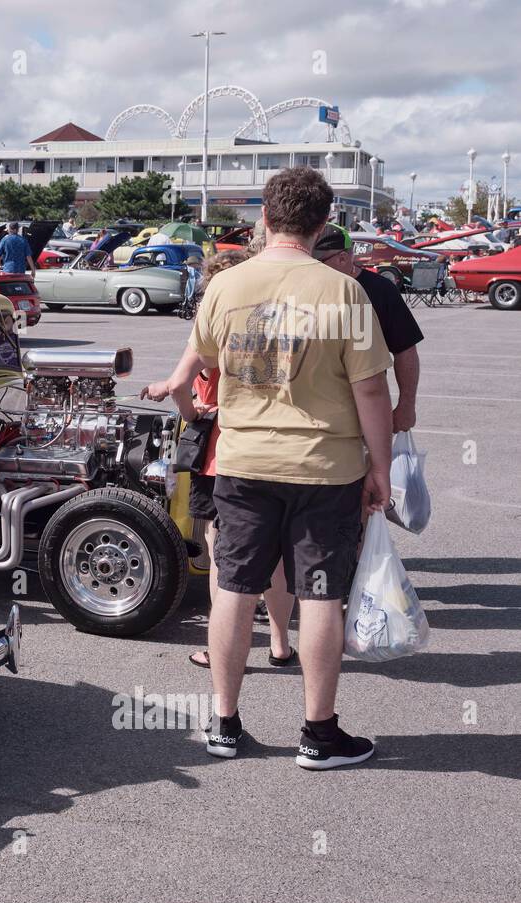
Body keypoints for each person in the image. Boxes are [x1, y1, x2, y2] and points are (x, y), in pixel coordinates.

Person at [173, 166, 393, 770]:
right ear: (324, 225)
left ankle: (223, 722)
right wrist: (382, 468)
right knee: (321, 595)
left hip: (242, 462)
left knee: (234, 589)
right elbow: (372, 392)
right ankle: (318, 734)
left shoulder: (225, 286)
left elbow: (200, 372)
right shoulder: (343, 291)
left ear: (264, 219)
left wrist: (198, 409)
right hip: (325, 465)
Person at [144, 249, 298, 671]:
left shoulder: (211, 326)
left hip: (223, 459)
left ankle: (222, 648)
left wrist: (194, 413)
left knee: (225, 560)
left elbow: (180, 386)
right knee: (278, 555)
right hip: (279, 449)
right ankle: (282, 644)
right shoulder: (274, 322)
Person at [312, 223, 422, 432]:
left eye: (317, 261)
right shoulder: (306, 287)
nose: (310, 267)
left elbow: (405, 349)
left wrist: (407, 406)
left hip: (364, 411)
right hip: (313, 412)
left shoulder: (380, 290)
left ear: (343, 258)